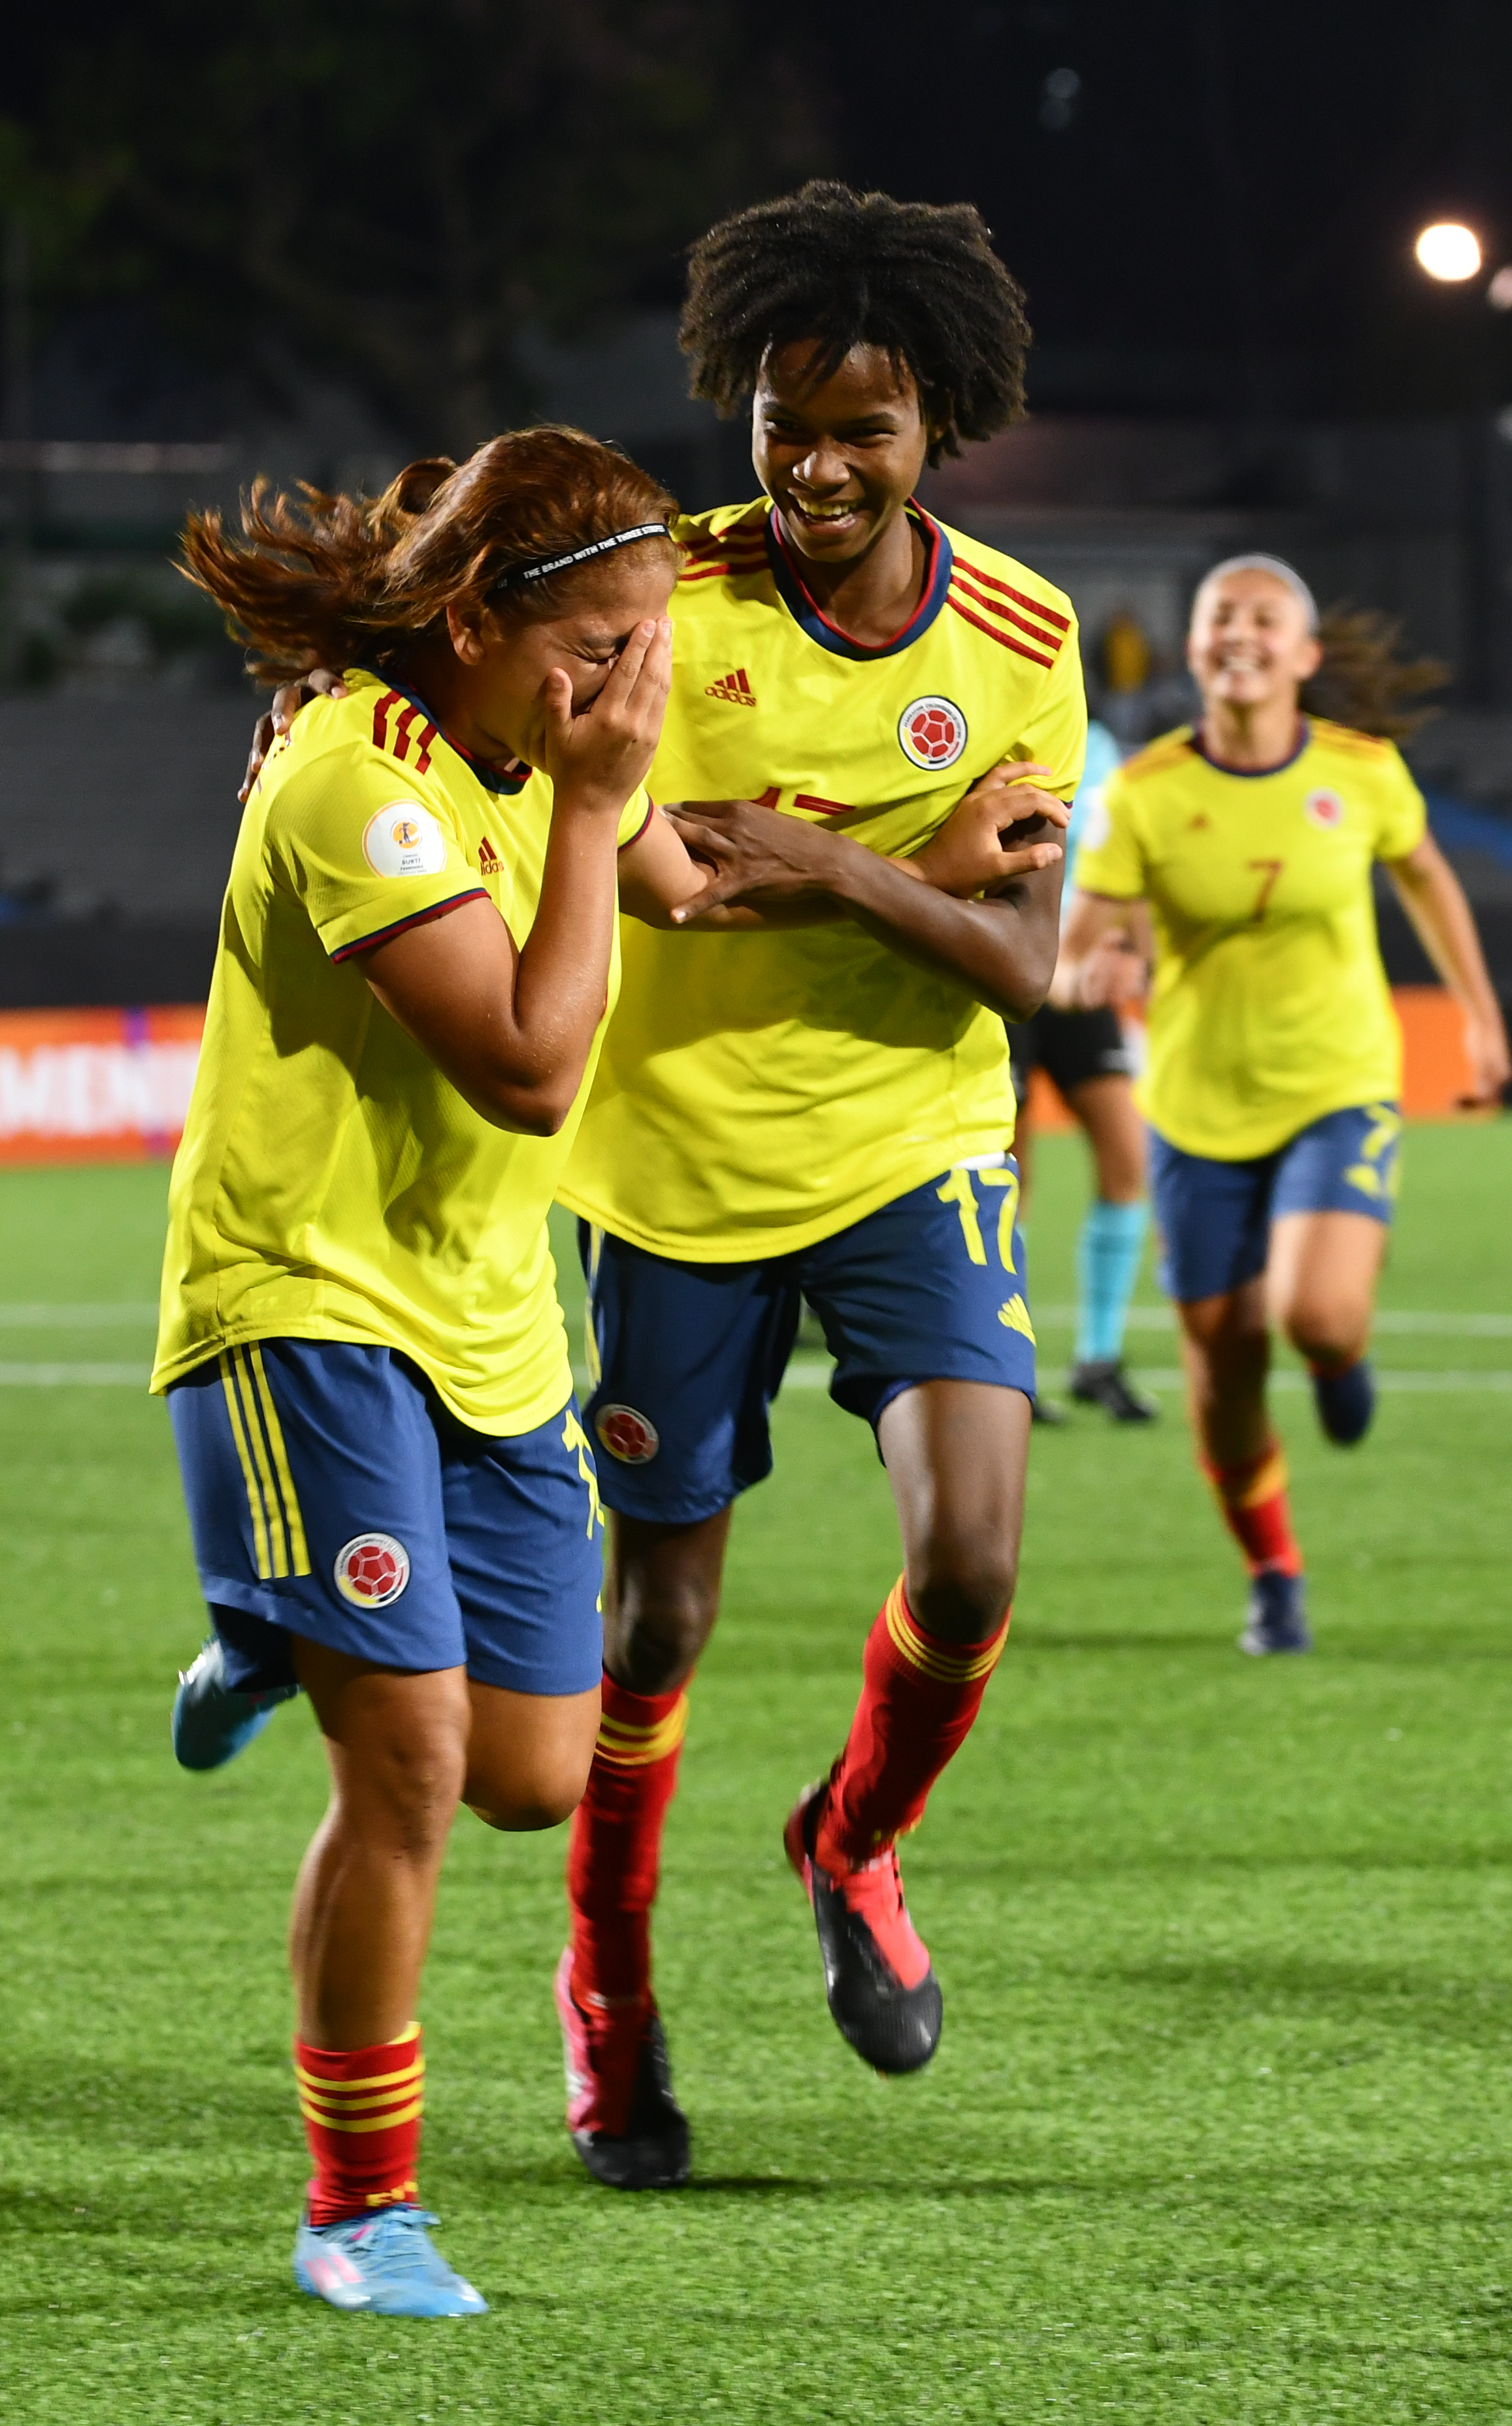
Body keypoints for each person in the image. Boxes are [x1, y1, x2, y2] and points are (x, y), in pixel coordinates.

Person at [545, 182, 1084, 2193]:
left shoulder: (1024, 639)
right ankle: (608, 1983)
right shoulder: (658, 598)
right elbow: (642, 864)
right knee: (656, 1622)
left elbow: (1023, 967)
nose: (820, 466)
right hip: (669, 1161)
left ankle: (849, 1839)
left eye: (864, 428)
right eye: (787, 423)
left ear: (938, 418)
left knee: (972, 1562)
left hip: (908, 1148)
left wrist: (836, 864)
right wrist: (907, 869)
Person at [151, 427, 680, 2318]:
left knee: (533, 1773)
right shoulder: (349, 783)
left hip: (491, 1319)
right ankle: (357, 2211)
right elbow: (530, 1066)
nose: (625, 691)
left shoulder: (551, 745)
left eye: (643, 651)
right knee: (413, 1764)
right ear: (470, 624)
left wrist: (909, 868)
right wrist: (604, 811)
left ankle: (268, 1625)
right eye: (594, 651)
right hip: (305, 1304)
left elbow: (690, 877)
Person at [1065, 560, 1511, 1654]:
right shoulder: (1144, 792)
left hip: (1336, 1083)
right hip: (1195, 1106)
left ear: (1304, 655)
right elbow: (1080, 936)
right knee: (1221, 1373)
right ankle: (1273, 1572)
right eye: (1222, 616)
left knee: (1317, 1314)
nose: (1241, 633)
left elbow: (1427, 877)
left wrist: (1479, 1016)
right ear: (1192, 647)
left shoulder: (1362, 772)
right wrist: (1085, 967)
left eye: (1266, 619)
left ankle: (1338, 1357)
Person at [1010, 714, 1159, 1423]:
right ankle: (1010, 1366)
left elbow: (1130, 865)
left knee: (1127, 1159)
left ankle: (1099, 1359)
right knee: (1010, 1181)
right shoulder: (996, 725)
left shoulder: (1100, 748)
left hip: (1081, 979)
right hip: (1008, 971)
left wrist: (1138, 954)